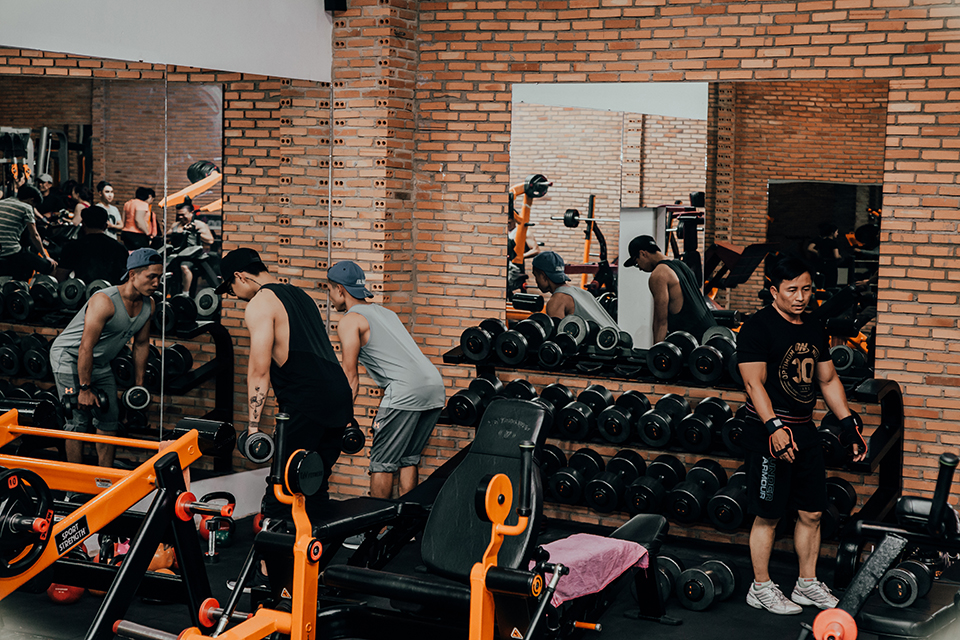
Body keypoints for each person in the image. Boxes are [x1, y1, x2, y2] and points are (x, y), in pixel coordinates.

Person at [737, 256, 867, 615]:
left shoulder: (812, 325)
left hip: (805, 430)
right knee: (768, 515)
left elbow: (827, 379)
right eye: (792, 290)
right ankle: (760, 587)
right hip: (769, 433)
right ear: (773, 290)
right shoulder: (757, 327)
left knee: (812, 512)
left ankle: (806, 584)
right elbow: (754, 384)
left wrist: (848, 425)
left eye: (806, 290)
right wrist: (773, 427)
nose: (800, 297)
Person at [217, 247, 353, 525]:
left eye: (230, 288)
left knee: (281, 486)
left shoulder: (260, 304)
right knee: (314, 483)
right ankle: (315, 551)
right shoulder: (301, 296)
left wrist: (253, 428)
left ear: (240, 276)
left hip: (306, 399)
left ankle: (272, 551)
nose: (233, 295)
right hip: (339, 396)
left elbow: (259, 371)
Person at [327, 261, 445, 499]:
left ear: (340, 289)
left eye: (329, 289)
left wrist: (343, 417)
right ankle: (406, 521)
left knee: (382, 462)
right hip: (434, 388)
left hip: (405, 391)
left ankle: (376, 521)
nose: (329, 296)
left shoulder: (350, 320)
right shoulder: (385, 313)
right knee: (408, 458)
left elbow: (350, 375)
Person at [48, 248, 161, 470]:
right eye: (151, 277)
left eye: (159, 277)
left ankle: (104, 478)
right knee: (77, 419)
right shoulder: (104, 300)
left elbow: (141, 344)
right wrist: (84, 388)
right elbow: (86, 347)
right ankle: (76, 482)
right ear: (132, 275)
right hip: (69, 357)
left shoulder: (149, 305)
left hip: (99, 362)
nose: (157, 283)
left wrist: (138, 387)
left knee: (110, 418)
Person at [622, 235, 717, 343]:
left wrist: (657, 350)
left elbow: (661, 322)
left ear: (643, 253)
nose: (639, 268)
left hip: (695, 340)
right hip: (713, 334)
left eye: (636, 262)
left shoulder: (659, 275)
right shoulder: (681, 265)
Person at [532, 251, 618, 328]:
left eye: (536, 276)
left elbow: (559, 338)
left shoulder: (556, 301)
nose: (536, 281)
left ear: (543, 276)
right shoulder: (581, 292)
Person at [55, 206, 129, 285]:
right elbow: (125, 277)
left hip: (83, 291)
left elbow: (60, 277)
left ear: (83, 224)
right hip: (112, 291)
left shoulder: (72, 247)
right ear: (105, 226)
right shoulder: (119, 248)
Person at [0, 184, 57, 279]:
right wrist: (45, 256)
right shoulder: (26, 207)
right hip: (11, 251)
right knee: (49, 266)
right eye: (34, 205)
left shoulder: (2, 202)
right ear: (31, 200)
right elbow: (34, 235)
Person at [169, 198, 215, 294]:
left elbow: (210, 240)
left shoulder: (199, 225)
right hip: (176, 255)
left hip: (191, 257)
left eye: (183, 214)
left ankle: (185, 293)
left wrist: (195, 232)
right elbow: (166, 238)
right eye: (179, 215)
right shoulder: (175, 225)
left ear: (191, 213)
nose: (180, 217)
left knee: (184, 267)